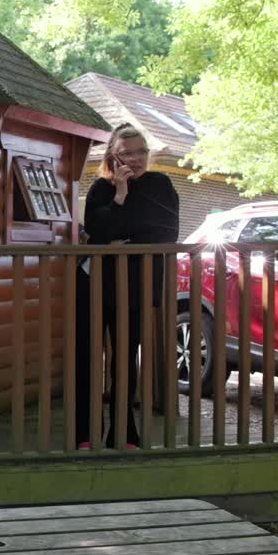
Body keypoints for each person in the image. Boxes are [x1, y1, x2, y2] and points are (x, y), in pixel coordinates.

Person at [75, 123, 179, 449]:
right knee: (87, 358)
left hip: (136, 285)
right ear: (113, 156)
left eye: (140, 152)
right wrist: (120, 197)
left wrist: (121, 237)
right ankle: (84, 433)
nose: (135, 159)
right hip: (94, 284)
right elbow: (98, 231)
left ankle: (123, 431)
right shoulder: (101, 190)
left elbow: (165, 232)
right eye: (127, 153)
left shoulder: (160, 184)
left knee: (125, 359)